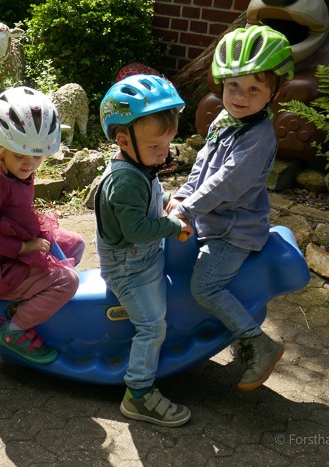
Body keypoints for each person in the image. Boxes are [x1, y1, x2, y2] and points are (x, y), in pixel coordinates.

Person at [172, 25, 294, 392]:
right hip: (211, 220)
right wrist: (181, 196)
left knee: (205, 287)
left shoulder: (258, 137)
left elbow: (226, 183)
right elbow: (202, 167)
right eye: (233, 86)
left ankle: (259, 342)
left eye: (254, 89)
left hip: (234, 231)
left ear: (273, 93)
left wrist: (188, 209)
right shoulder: (224, 120)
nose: (240, 96)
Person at [0, 86, 85, 365]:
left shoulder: (17, 167)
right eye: (20, 156)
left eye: (37, 157)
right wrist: (26, 247)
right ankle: (15, 330)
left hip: (17, 239)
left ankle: (40, 301)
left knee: (76, 243)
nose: (29, 165)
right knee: (68, 281)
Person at [95, 74, 194, 427]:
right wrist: (172, 226)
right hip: (128, 267)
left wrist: (168, 201)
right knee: (152, 327)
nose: (163, 154)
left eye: (167, 144)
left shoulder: (141, 165)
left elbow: (148, 198)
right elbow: (136, 230)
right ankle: (138, 394)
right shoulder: (124, 180)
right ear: (123, 140)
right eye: (155, 147)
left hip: (144, 258)